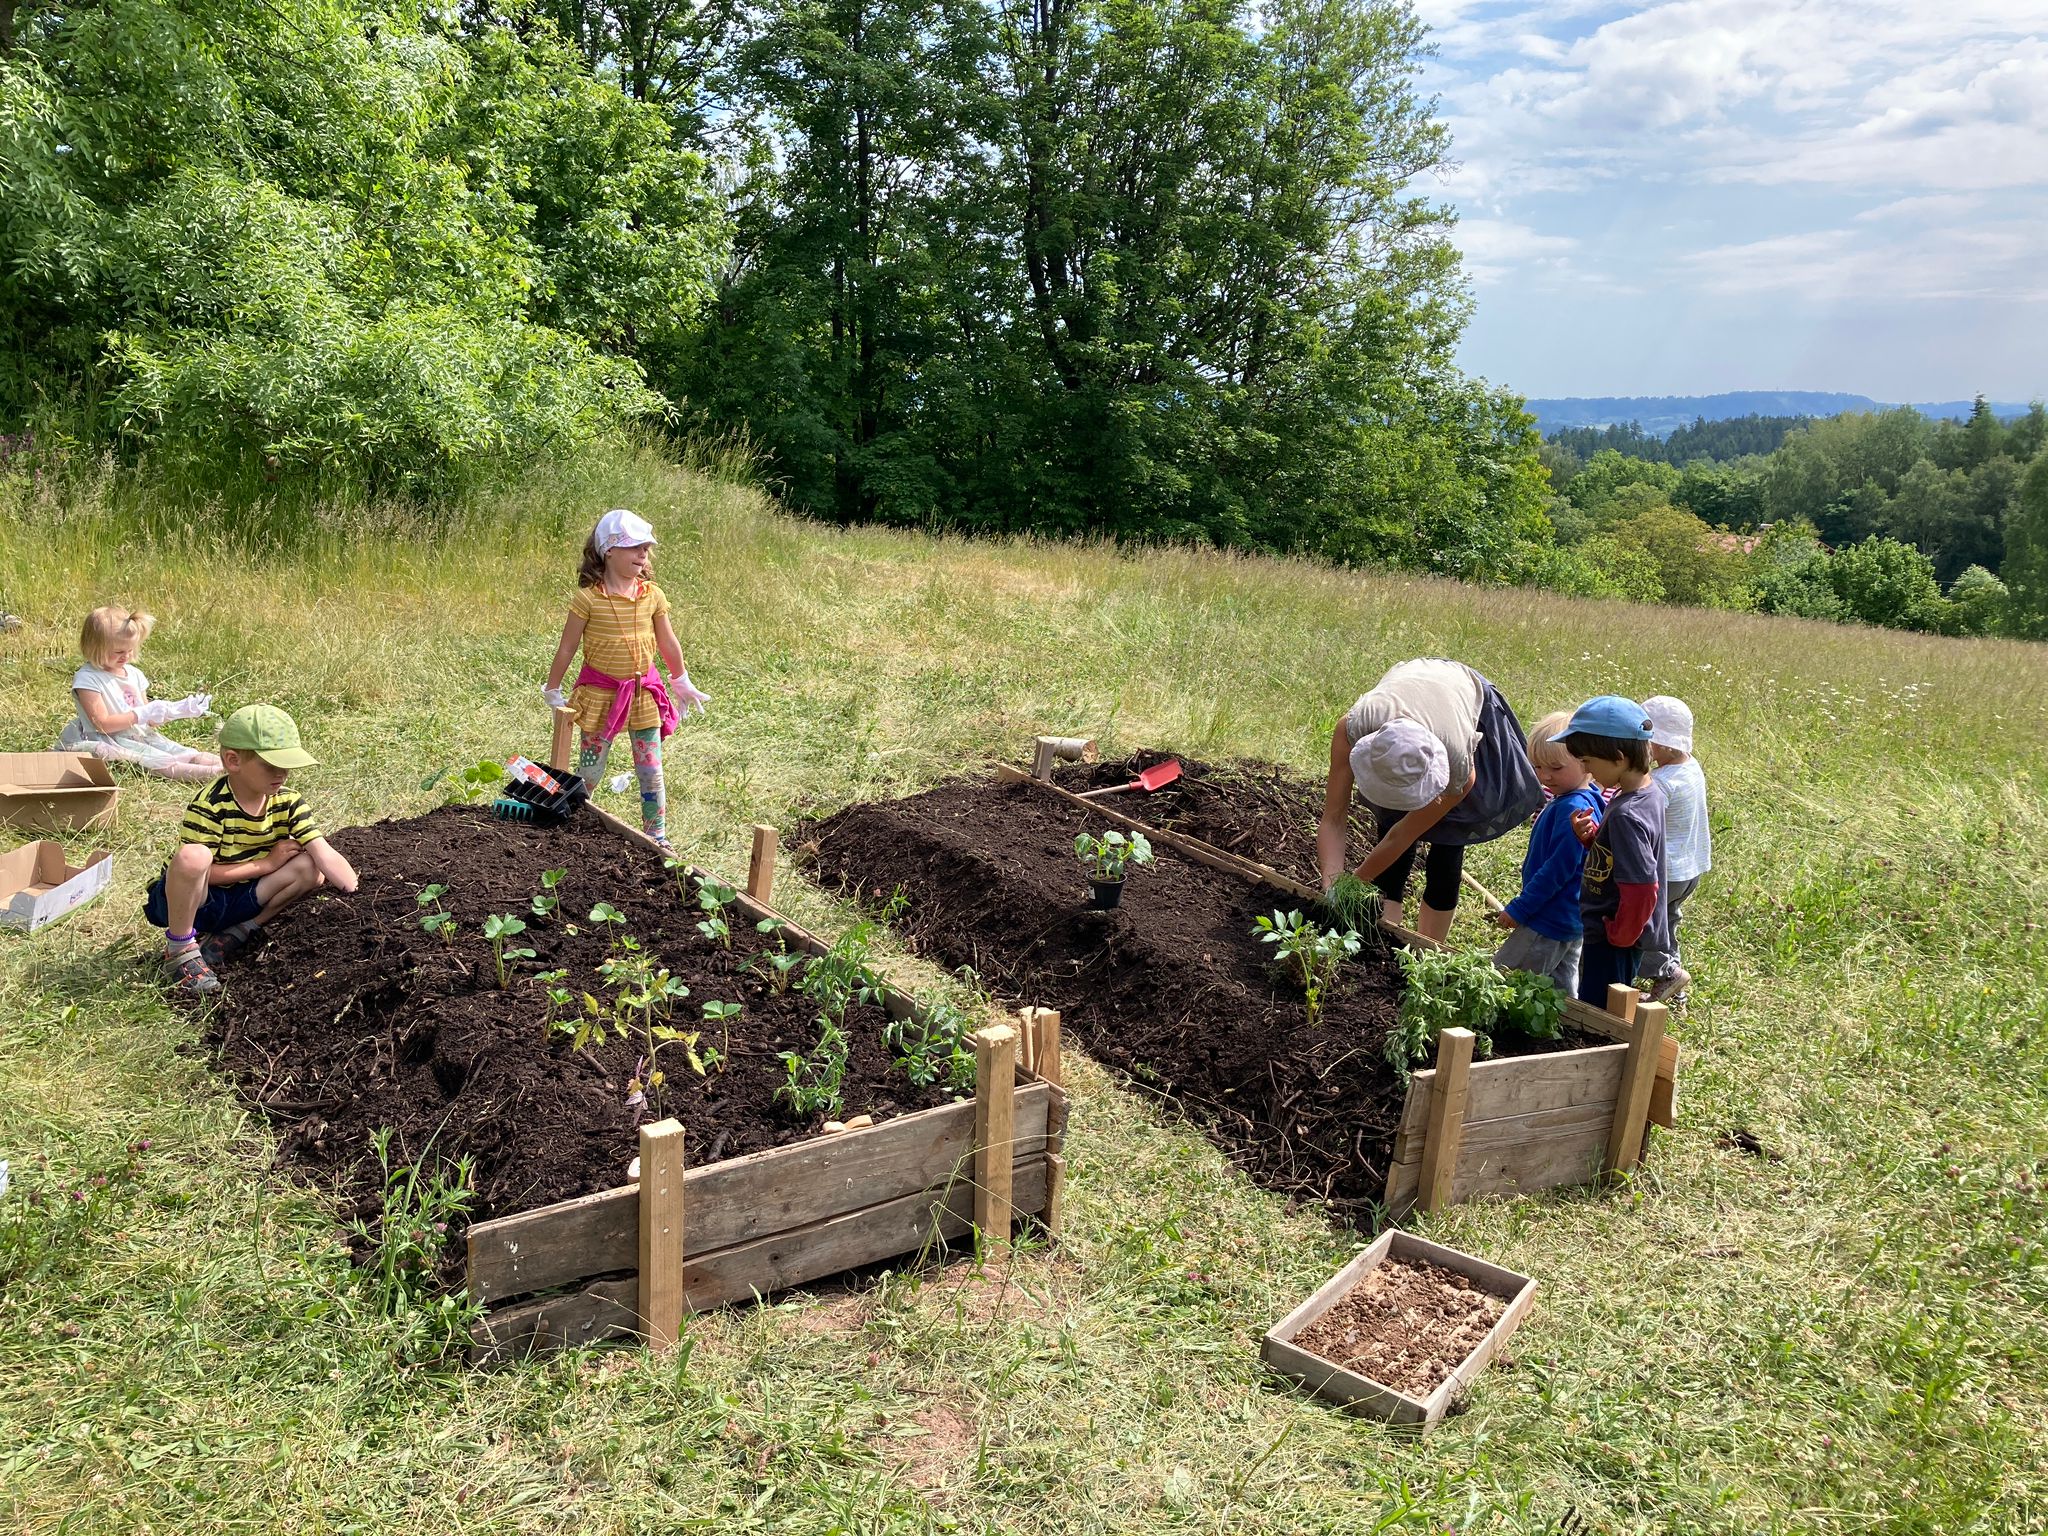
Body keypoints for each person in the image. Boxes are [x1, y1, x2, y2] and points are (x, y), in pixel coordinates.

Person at [1317, 658, 1543, 940]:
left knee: (1448, 841)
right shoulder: (1352, 729)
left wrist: (1356, 882)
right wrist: (1332, 887)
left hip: (1463, 695)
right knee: (1390, 821)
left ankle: (1428, 947)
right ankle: (1388, 935)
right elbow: (1334, 818)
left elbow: (1403, 835)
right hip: (1414, 686)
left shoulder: (1459, 763)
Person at [146, 704, 359, 996]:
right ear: (233, 761)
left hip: (247, 899)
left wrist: (355, 891)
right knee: (193, 857)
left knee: (311, 869)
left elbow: (322, 851)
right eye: (270, 765)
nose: (281, 774)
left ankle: (238, 933)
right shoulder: (210, 805)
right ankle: (181, 951)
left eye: (286, 765)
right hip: (198, 903)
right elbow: (204, 874)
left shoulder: (289, 802)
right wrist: (267, 865)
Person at [541, 509, 709, 854]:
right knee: (591, 769)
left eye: (645, 548)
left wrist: (681, 679)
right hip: (601, 696)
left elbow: (668, 642)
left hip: (644, 695)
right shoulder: (588, 598)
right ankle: (573, 820)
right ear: (609, 551)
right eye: (634, 547)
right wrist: (553, 687)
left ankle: (657, 834)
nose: (643, 554)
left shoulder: (652, 595)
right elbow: (568, 645)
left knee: (650, 769)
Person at [1553, 696, 1668, 1008]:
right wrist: (1592, 840)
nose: (1586, 770)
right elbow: (1621, 859)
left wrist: (1620, 934)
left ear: (1618, 757)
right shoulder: (1643, 794)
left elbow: (1642, 886)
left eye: (1588, 762)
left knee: (1601, 1011)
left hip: (1613, 935)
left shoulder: (1628, 815)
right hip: (1610, 929)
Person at [1491, 711, 1604, 995]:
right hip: (1569, 917)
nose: (1545, 776)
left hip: (1547, 918)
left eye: (1555, 767)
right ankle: (1566, 1027)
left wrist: (1520, 908)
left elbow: (1557, 870)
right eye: (1539, 767)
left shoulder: (1573, 809)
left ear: (1586, 763)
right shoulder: (1587, 797)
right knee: (1560, 988)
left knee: (1504, 979)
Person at [57, 606, 219, 782]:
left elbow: (148, 719)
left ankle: (232, 767)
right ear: (94, 647)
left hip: (140, 736)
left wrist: (176, 711)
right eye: (119, 652)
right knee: (162, 763)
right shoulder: (88, 678)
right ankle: (216, 775)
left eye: (130, 650)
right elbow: (102, 724)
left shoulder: (134, 674)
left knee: (184, 752)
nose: (126, 656)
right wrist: (140, 714)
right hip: (111, 739)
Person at [1641, 695, 1709, 1003]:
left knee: (1650, 927)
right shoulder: (1691, 767)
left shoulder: (1661, 782)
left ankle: (1667, 974)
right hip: (1689, 869)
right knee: (1668, 922)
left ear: (1664, 745)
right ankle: (1674, 992)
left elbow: (1644, 817)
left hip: (1665, 870)